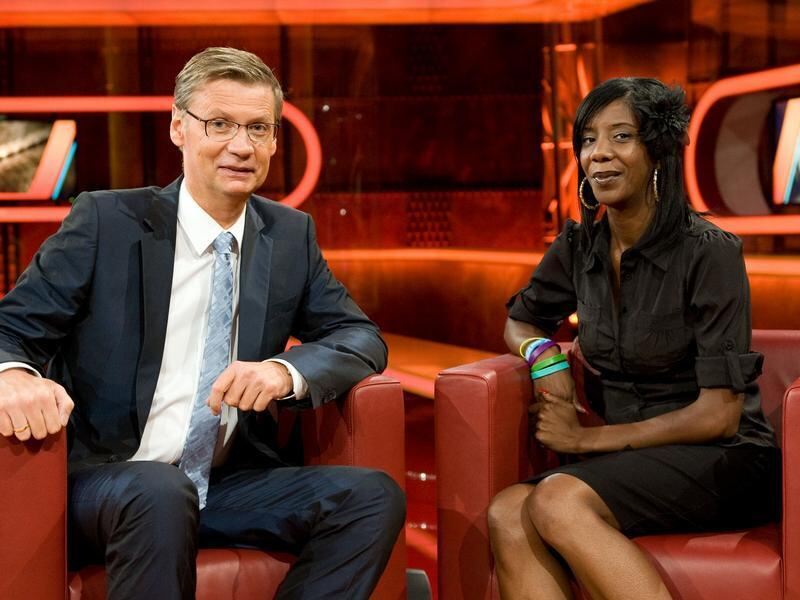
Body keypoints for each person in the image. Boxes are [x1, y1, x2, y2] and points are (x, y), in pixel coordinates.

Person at [0, 47, 405, 600]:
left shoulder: (289, 236)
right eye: (219, 124)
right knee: (159, 489)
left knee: (371, 497)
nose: (241, 145)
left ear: (274, 141)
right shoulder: (106, 221)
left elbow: (360, 337)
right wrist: (13, 375)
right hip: (109, 480)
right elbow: (11, 329)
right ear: (178, 128)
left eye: (258, 128)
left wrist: (284, 371)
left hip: (225, 484)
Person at [488, 77, 779, 599]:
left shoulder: (709, 253)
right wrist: (545, 358)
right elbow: (521, 321)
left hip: (723, 457)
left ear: (657, 151)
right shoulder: (579, 247)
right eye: (588, 139)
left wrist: (584, 440)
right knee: (507, 510)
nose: (598, 153)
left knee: (557, 499)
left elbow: (719, 415)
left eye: (621, 136)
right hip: (629, 461)